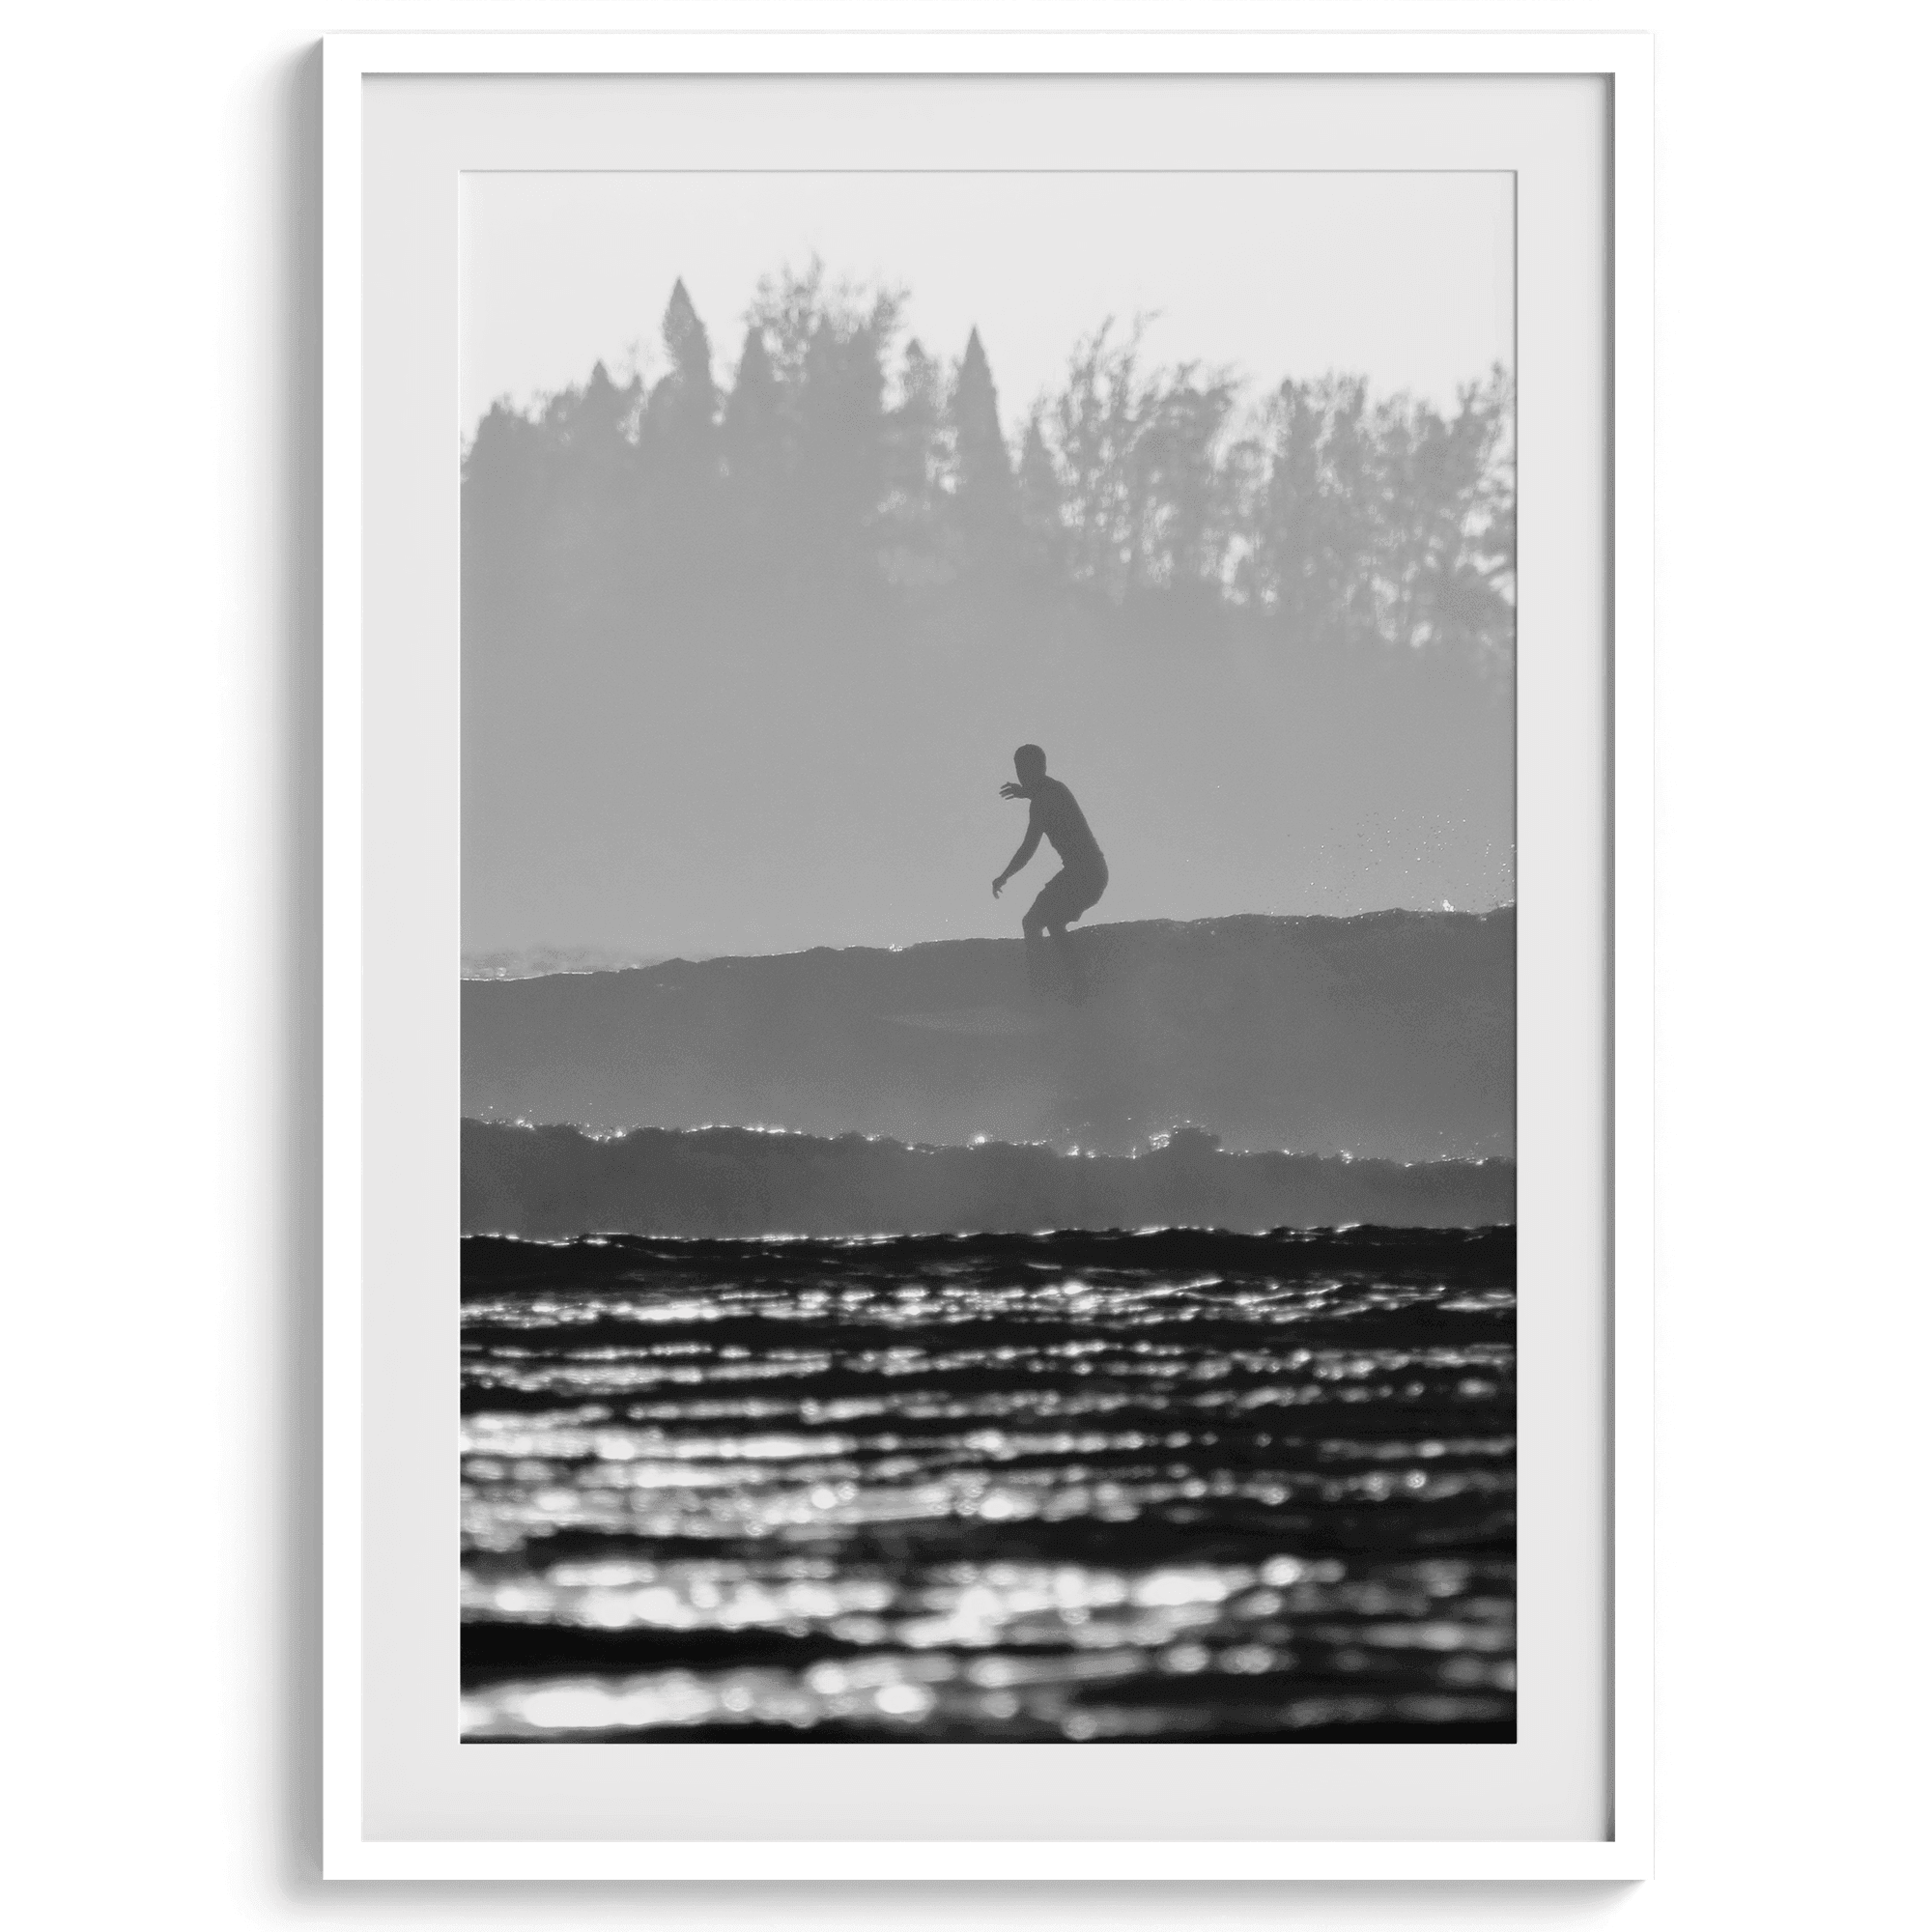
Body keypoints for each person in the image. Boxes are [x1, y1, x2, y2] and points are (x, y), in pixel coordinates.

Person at [992, 744, 1108, 997]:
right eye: (1018, 770)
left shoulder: (1044, 800)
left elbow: (1028, 848)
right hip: (1092, 873)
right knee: (1053, 921)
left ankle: (1041, 989)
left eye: (1026, 769)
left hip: (1083, 873)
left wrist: (1004, 876)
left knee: (1032, 921)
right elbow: (1041, 791)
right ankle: (1078, 987)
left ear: (1040, 768)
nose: (1021, 775)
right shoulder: (1055, 789)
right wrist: (1025, 792)